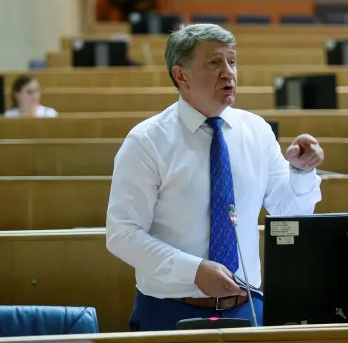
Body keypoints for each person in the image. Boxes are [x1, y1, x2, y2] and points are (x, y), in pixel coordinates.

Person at [106, 23, 324, 331]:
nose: (228, 73)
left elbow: (290, 215)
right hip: (169, 311)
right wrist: (193, 271)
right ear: (181, 75)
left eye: (232, 61)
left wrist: (301, 172)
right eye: (214, 63)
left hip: (247, 308)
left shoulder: (257, 131)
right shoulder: (146, 142)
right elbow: (122, 234)